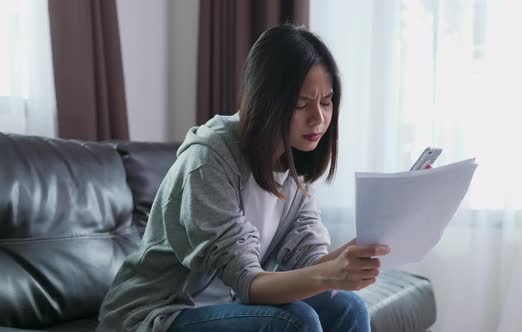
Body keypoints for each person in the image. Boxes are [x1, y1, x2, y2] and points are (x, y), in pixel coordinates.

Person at [97, 24, 390, 332]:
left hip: (229, 307)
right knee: (295, 322)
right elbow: (250, 282)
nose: (318, 117)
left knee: (347, 307)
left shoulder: (292, 165)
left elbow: (310, 265)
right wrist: (333, 274)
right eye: (301, 104)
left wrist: (365, 246)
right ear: (268, 100)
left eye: (326, 102)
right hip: (158, 315)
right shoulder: (209, 159)